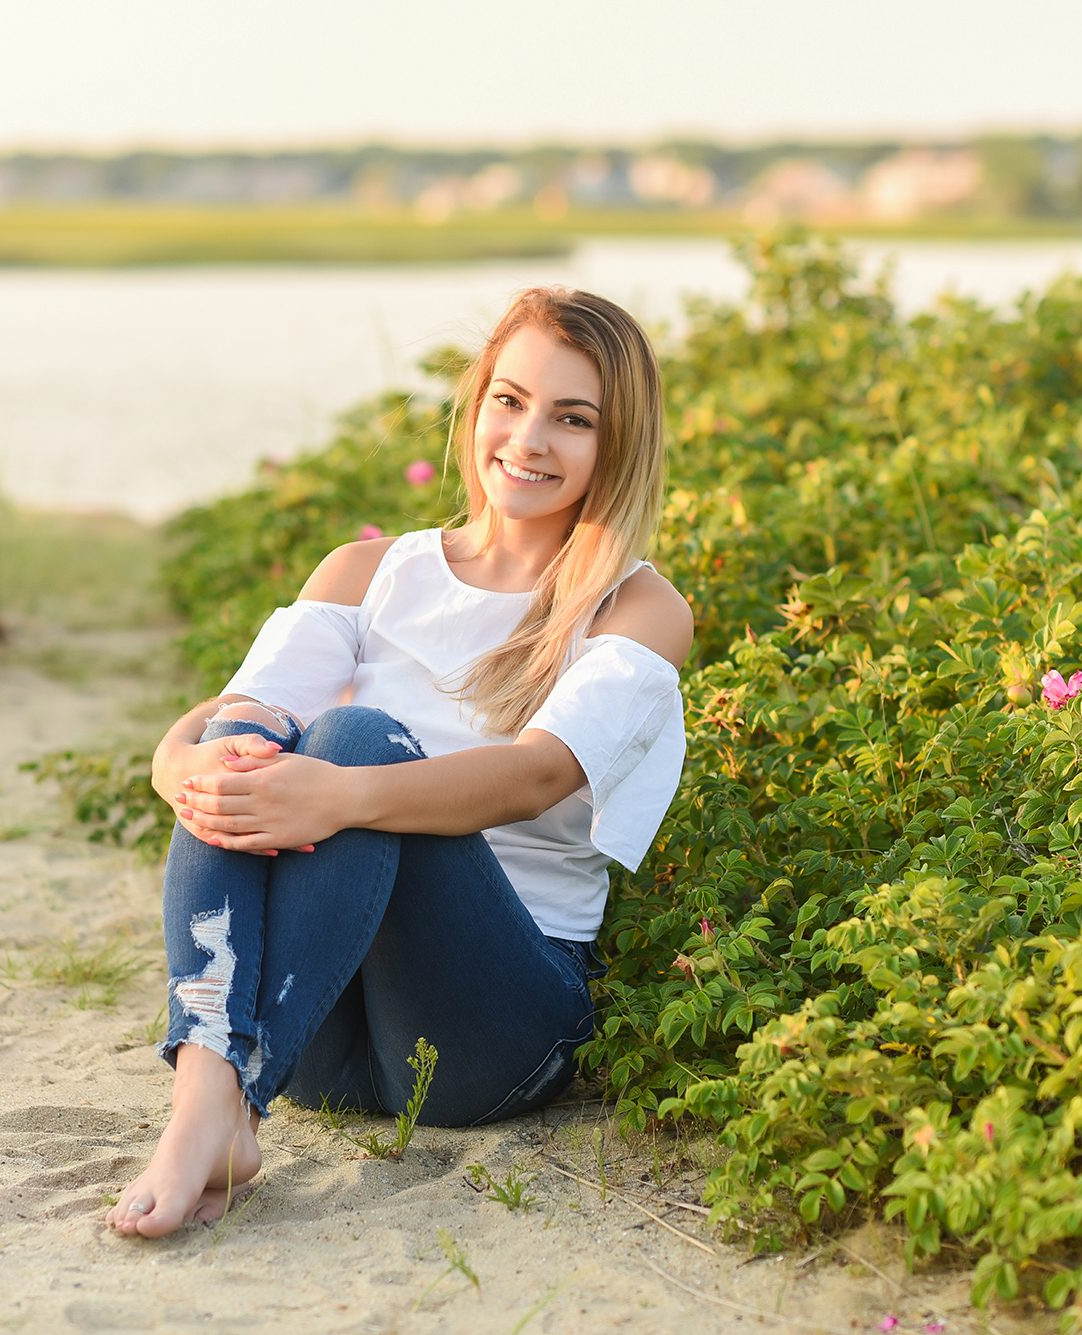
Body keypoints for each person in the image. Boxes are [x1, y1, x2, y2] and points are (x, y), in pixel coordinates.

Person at [106, 286, 694, 1239]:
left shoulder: (635, 607)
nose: (529, 438)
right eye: (511, 400)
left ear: (617, 442)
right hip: (324, 1046)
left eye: (572, 419)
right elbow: (240, 719)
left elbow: (540, 773)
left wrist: (339, 791)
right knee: (252, 743)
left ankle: (218, 1111)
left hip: (490, 1032)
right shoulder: (367, 572)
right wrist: (180, 760)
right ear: (477, 405)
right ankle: (211, 1096)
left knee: (354, 739)